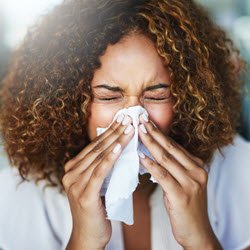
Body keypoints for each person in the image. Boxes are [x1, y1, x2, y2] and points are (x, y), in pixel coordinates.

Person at [0, 0, 249, 249]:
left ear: (186, 100)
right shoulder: (21, 193)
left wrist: (200, 239)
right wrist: (84, 242)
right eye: (109, 97)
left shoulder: (238, 170)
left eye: (156, 96)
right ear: (68, 103)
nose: (134, 118)